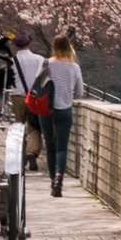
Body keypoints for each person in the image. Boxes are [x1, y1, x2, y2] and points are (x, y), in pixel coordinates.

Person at [40, 34, 85, 197]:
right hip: (65, 110)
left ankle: (52, 181)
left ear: (53, 46)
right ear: (69, 48)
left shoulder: (46, 64)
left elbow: (38, 86)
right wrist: (67, 95)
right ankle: (60, 176)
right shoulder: (75, 67)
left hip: (46, 111)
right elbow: (79, 92)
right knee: (61, 147)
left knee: (49, 147)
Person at [9, 32, 46, 173]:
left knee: (17, 129)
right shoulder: (40, 59)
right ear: (29, 44)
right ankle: (32, 153)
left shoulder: (11, 61)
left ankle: (20, 159)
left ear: (15, 46)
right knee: (34, 128)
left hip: (16, 97)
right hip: (34, 98)